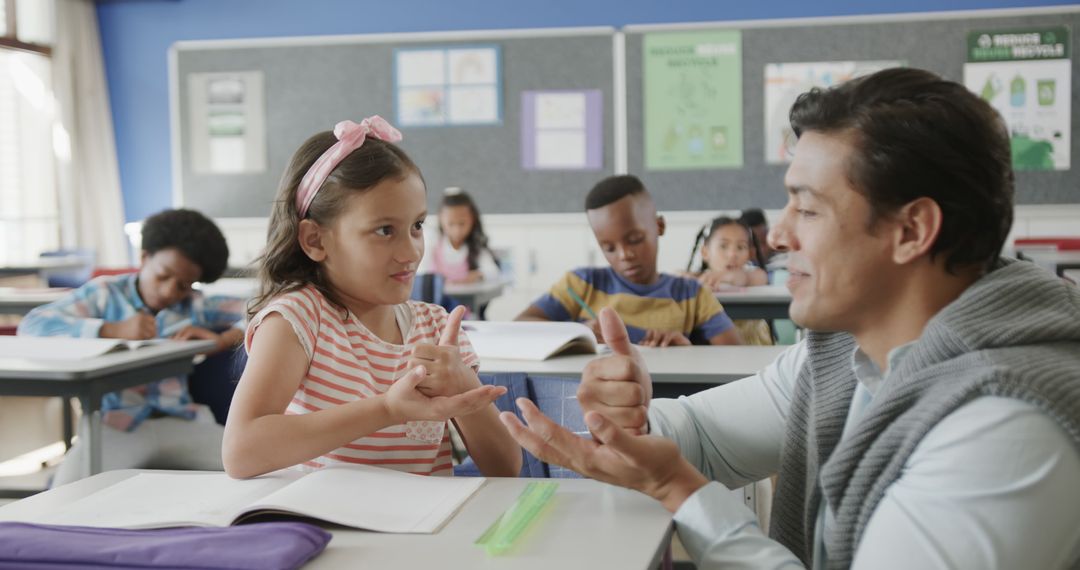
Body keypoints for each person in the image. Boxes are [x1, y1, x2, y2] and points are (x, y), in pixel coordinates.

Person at [498, 68, 1080, 569]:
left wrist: (678, 490)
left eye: (806, 207)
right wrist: (634, 421)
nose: (776, 235)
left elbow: (687, 471)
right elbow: (704, 436)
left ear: (911, 231)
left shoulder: (1004, 424)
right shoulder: (844, 351)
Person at [221, 116, 520, 479]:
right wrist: (387, 409)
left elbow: (505, 469)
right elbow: (240, 452)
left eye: (417, 226)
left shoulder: (435, 328)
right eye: (384, 230)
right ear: (315, 240)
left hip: (424, 529)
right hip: (328, 528)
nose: (410, 252)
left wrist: (463, 384)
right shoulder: (296, 319)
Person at [18, 208, 246, 486]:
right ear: (144, 257)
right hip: (115, 427)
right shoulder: (103, 294)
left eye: (184, 285)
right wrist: (109, 330)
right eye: (163, 276)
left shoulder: (196, 304)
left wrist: (221, 340)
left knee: (258, 466)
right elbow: (32, 326)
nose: (169, 292)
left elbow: (263, 308)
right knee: (63, 494)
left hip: (182, 422)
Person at [516, 175, 741, 347]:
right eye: (609, 248)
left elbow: (734, 356)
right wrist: (578, 331)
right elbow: (521, 325)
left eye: (634, 240)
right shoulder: (582, 284)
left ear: (659, 226)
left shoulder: (693, 296)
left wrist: (687, 350)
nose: (624, 255)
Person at [683, 216, 772, 345]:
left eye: (740, 247)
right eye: (723, 246)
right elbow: (678, 276)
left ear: (750, 254)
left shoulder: (754, 275)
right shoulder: (701, 277)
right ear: (705, 252)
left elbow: (754, 277)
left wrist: (727, 277)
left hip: (751, 347)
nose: (732, 254)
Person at [418, 187, 500, 285]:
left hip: (465, 299)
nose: (457, 230)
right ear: (441, 219)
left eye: (462, 223)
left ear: (472, 220)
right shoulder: (433, 240)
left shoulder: (476, 246)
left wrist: (478, 275)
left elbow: (493, 272)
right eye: (451, 224)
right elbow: (421, 270)